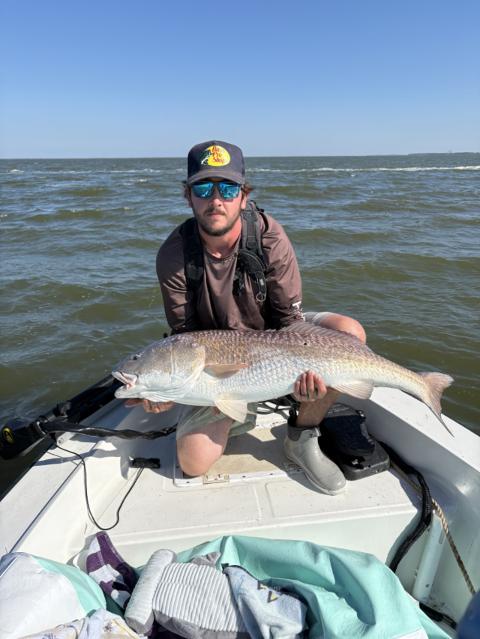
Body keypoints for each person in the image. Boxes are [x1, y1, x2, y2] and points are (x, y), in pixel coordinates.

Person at [127, 140, 366, 495]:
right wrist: (168, 391)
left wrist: (302, 365)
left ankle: (301, 437)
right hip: (219, 358)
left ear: (243, 195)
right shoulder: (173, 256)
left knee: (350, 334)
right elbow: (186, 338)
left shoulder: (270, 238)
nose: (216, 200)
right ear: (188, 196)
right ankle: (244, 407)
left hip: (275, 339)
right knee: (193, 461)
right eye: (203, 189)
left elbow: (289, 322)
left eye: (227, 188)